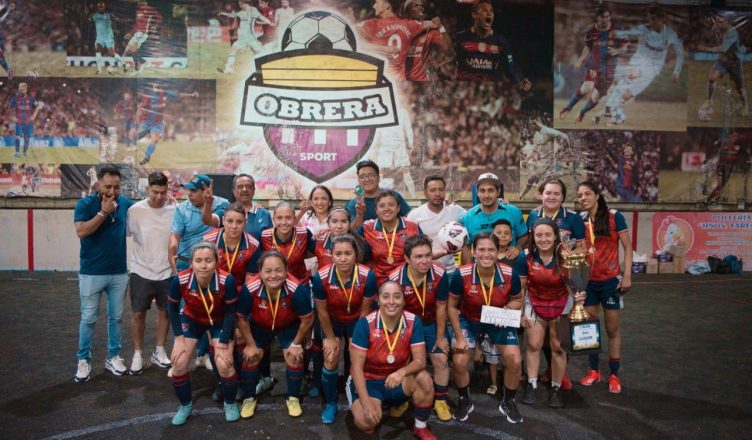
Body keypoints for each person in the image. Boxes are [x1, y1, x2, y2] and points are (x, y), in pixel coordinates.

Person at [447, 233, 524, 424]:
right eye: (481, 249)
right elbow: (451, 306)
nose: (486, 254)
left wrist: (508, 309)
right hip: (469, 319)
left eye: (491, 250)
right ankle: (464, 399)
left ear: (498, 252)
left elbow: (518, 300)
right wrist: (459, 337)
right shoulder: (461, 274)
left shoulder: (510, 274)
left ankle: (509, 400)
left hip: (498, 319)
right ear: (474, 251)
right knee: (459, 361)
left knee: (515, 360)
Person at [347, 281, 437, 439]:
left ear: (403, 300)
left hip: (396, 379)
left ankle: (420, 427)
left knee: (425, 379)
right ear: (378, 300)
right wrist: (366, 404)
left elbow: (420, 361)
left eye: (397, 296)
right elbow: (356, 368)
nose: (391, 301)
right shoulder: (365, 324)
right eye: (386, 296)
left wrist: (401, 372)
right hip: (369, 381)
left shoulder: (413, 321)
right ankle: (373, 411)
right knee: (366, 421)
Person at [167, 241, 240, 425]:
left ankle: (230, 403)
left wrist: (224, 341)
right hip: (192, 320)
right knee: (179, 362)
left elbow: (231, 312)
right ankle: (185, 406)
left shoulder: (227, 280)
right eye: (198, 260)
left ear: (217, 261)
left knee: (224, 363)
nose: (203, 265)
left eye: (208, 260)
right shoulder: (180, 279)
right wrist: (179, 339)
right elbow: (172, 309)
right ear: (191, 262)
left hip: (219, 321)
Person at [235, 250, 314, 418]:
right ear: (260, 272)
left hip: (288, 325)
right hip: (260, 325)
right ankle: (249, 398)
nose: (273, 275)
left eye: (278, 270)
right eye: (268, 271)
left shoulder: (297, 289)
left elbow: (307, 319)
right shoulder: (250, 288)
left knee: (294, 356)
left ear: (286, 270)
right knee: (250, 356)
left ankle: (293, 398)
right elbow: (240, 317)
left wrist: (296, 344)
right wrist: (250, 344)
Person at [73, 166, 134, 382]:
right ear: (98, 184)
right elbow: (81, 231)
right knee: (88, 319)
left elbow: (144, 213)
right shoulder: (85, 204)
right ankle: (83, 360)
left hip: (118, 272)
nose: (112, 191)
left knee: (116, 319)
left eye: (116, 187)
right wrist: (103, 212)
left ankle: (113, 356)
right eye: (108, 186)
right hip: (91, 272)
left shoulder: (125, 203)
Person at [517, 219, 584, 408]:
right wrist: (521, 313)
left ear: (556, 236)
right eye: (539, 235)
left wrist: (579, 296)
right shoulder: (525, 257)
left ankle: (556, 387)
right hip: (534, 301)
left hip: (561, 303)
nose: (543, 239)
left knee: (558, 347)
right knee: (533, 344)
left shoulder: (566, 256)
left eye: (548, 234)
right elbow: (522, 288)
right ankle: (532, 384)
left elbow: (574, 285)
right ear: (533, 237)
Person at [311, 234, 378, 423]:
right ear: (331, 255)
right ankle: (331, 403)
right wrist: (330, 338)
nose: (343, 258)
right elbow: (322, 311)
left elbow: (365, 311)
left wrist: (356, 339)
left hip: (357, 319)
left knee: (357, 357)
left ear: (356, 255)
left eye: (348, 253)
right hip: (332, 320)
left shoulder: (367, 276)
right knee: (330, 356)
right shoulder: (321, 277)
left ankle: (355, 397)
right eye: (338, 254)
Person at [387, 235, 452, 421]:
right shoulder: (395, 278)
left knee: (441, 358)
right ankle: (403, 399)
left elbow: (441, 307)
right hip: (406, 325)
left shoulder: (439, 274)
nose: (425, 261)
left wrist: (441, 337)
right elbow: (393, 311)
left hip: (431, 322)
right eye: (418, 257)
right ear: (407, 259)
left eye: (428, 255)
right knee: (403, 361)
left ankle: (440, 400)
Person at [576, 181, 632, 394]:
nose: (583, 198)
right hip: (588, 283)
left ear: (597, 195)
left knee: (612, 329)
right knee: (590, 329)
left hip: (610, 282)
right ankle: (593, 371)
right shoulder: (580, 220)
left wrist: (627, 276)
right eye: (580, 195)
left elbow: (628, 248)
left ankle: (614, 374)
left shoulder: (614, 216)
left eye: (587, 194)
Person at [169, 174, 229, 370]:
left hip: (211, 267)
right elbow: (175, 235)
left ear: (205, 191)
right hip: (186, 264)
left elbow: (210, 220)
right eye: (189, 190)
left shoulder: (222, 204)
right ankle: (181, 356)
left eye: (194, 191)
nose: (190, 194)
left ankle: (203, 354)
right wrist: (172, 249)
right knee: (187, 311)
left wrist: (208, 204)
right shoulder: (182, 209)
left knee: (210, 308)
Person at [598, 5, 684, 125]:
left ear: (661, 19)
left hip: (653, 68)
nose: (650, 22)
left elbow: (680, 53)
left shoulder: (670, 34)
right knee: (626, 80)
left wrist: (677, 71)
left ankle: (610, 109)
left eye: (653, 19)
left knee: (627, 95)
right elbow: (628, 33)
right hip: (638, 62)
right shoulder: (644, 29)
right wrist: (614, 33)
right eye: (649, 19)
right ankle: (609, 109)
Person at [126, 172, 175, 374]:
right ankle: (137, 353)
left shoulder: (174, 210)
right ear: (147, 189)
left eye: (163, 192)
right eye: (155, 192)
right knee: (138, 313)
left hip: (166, 270)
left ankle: (159, 351)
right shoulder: (135, 211)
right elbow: (126, 234)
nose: (159, 196)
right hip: (141, 270)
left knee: (165, 312)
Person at [559, 5, 625, 123]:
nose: (606, 19)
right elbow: (588, 47)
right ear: (597, 17)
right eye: (603, 17)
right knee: (587, 87)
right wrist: (581, 59)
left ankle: (581, 113)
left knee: (596, 98)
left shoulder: (617, 30)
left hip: (609, 71)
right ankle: (568, 107)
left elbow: (625, 47)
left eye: (607, 17)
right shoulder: (591, 32)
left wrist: (618, 50)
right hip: (594, 66)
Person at [454, 0, 532, 91]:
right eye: (484, 10)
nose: (489, 13)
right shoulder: (460, 38)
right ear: (474, 14)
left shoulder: (501, 42)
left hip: (486, 89)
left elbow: (510, 69)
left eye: (491, 11)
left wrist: (521, 81)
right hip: (464, 87)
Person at [356, 0, 442, 81]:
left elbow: (353, 41)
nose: (374, 6)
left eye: (377, 2)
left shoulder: (372, 25)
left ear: (387, 6)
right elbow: (435, 23)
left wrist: (382, 49)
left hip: (379, 79)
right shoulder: (409, 25)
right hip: (399, 81)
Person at [357, 190, 423, 284]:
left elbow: (424, 250)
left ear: (398, 208)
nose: (386, 209)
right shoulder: (367, 227)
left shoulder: (412, 227)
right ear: (376, 210)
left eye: (391, 205)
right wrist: (359, 215)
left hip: (406, 282)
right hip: (378, 283)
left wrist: (443, 251)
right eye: (382, 206)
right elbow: (350, 240)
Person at [460, 172, 527, 262]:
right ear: (477, 192)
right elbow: (466, 247)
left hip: (511, 263)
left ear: (498, 192)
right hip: (482, 266)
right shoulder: (468, 217)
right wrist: (469, 269)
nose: (486, 195)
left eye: (491, 190)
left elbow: (524, 236)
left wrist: (518, 248)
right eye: (482, 191)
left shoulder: (514, 212)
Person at [407, 175, 466, 272]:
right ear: (425, 193)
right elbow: (409, 246)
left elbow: (472, 218)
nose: (438, 194)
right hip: (425, 271)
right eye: (433, 190)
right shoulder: (415, 215)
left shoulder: (455, 210)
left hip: (449, 270)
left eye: (441, 190)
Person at [697, 13, 749, 119]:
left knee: (740, 87)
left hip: (734, 63)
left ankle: (745, 106)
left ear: (728, 23)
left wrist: (705, 48)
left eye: (721, 22)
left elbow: (722, 49)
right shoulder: (719, 28)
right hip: (722, 61)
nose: (719, 24)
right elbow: (709, 35)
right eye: (718, 22)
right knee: (712, 77)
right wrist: (712, 28)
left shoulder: (733, 34)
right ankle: (709, 101)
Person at [136, 82, 200, 165]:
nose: (157, 89)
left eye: (158, 87)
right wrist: (143, 112)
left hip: (157, 122)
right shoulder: (148, 96)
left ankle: (146, 157)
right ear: (152, 87)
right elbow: (141, 108)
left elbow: (179, 94)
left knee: (155, 140)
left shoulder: (165, 93)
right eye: (155, 87)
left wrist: (191, 94)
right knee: (136, 137)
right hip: (146, 122)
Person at [203, 203, 261, 283]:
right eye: (230, 221)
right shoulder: (208, 241)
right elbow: (202, 272)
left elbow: (250, 280)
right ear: (223, 221)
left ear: (245, 222)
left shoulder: (253, 246)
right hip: (214, 287)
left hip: (240, 288)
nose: (234, 226)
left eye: (239, 222)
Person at [346, 160, 411, 230]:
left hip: (394, 236)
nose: (367, 179)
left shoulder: (393, 196)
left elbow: (410, 218)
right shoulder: (354, 204)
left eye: (371, 175)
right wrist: (359, 214)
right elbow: (351, 231)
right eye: (363, 176)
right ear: (359, 180)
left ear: (378, 178)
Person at [261, 202, 316, 283]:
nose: (284, 222)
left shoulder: (304, 234)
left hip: (300, 284)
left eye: (288, 218)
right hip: (275, 284)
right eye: (279, 218)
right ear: (273, 219)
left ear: (294, 218)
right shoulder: (264, 236)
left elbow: (315, 256)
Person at [216, 0, 274, 74]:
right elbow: (232, 15)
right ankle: (229, 68)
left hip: (251, 37)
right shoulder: (241, 12)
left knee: (261, 52)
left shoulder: (253, 10)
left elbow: (262, 17)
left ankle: (270, 67)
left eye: (240, 4)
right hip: (243, 38)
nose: (240, 6)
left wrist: (270, 23)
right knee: (233, 49)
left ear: (244, 4)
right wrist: (222, 13)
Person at [401, 0, 452, 82]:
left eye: (421, 5)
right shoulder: (401, 28)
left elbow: (448, 49)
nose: (421, 8)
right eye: (416, 5)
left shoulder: (429, 31)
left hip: (422, 80)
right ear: (408, 11)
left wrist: (441, 27)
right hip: (403, 80)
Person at [114, 0, 163, 73]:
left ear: (145, 2)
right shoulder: (138, 11)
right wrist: (130, 33)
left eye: (142, 2)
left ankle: (138, 65)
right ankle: (140, 64)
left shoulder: (150, 9)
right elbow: (136, 25)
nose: (140, 3)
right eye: (139, 2)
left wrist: (154, 25)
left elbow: (159, 17)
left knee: (130, 49)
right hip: (137, 33)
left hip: (142, 33)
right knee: (131, 50)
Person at [297, 184, 334, 274]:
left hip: (329, 266)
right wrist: (301, 212)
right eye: (316, 199)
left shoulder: (335, 218)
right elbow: (290, 225)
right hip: (308, 266)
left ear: (329, 202)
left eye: (324, 199)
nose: (320, 202)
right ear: (311, 202)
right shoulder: (305, 217)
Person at [229, 174, 273, 239]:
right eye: (240, 187)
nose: (244, 189)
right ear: (234, 191)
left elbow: (270, 240)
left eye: (248, 186)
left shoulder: (264, 214)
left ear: (253, 190)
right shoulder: (227, 213)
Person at [89, 1, 124, 75]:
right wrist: (86, 15)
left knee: (112, 54)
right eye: (99, 7)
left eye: (102, 7)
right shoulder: (94, 15)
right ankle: (99, 70)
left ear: (104, 7)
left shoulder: (109, 15)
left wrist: (123, 21)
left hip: (108, 37)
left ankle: (123, 63)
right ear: (97, 8)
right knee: (97, 50)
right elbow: (88, 20)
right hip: (99, 37)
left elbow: (118, 20)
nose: (101, 8)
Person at [9, 82, 41, 158]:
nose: (21, 91)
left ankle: (24, 153)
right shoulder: (15, 98)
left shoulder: (31, 98)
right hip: (19, 122)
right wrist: (12, 117)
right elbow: (10, 108)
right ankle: (17, 152)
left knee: (27, 138)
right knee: (17, 137)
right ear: (18, 89)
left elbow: (38, 106)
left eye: (23, 90)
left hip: (28, 123)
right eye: (20, 90)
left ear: (26, 90)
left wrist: (33, 117)